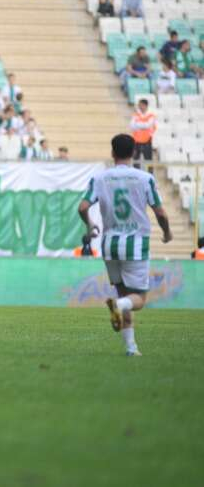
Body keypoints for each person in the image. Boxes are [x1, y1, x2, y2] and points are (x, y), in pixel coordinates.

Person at [77, 133, 172, 356]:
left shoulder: (100, 179)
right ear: (134, 153)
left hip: (109, 245)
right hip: (135, 245)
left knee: (124, 296)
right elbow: (160, 212)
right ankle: (119, 308)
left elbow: (82, 207)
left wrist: (90, 226)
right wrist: (167, 232)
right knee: (137, 300)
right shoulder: (144, 178)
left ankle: (131, 348)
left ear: (112, 152)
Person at [129, 99, 156, 170]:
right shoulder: (135, 115)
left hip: (147, 140)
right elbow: (132, 126)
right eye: (139, 105)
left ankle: (150, 176)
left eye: (141, 105)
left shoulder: (151, 115)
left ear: (145, 105)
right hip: (136, 140)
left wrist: (137, 124)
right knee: (136, 160)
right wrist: (142, 125)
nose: (140, 107)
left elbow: (148, 125)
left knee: (148, 160)